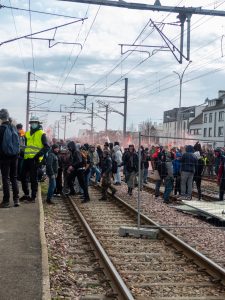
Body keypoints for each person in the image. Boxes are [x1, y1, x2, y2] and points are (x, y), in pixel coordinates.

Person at [20, 116, 50, 202]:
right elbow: (26, 146)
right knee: (22, 176)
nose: (33, 124)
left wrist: (37, 156)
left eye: (35, 122)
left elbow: (47, 147)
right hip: (26, 158)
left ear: (38, 123)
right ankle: (26, 194)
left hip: (35, 160)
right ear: (30, 124)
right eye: (32, 122)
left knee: (33, 178)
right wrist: (22, 152)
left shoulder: (42, 133)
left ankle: (33, 197)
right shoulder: (27, 133)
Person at [0, 109, 20, 208]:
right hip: (15, 157)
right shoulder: (14, 128)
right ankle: (16, 200)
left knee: (6, 178)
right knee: (14, 178)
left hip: (4, 158)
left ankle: (6, 201)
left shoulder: (1, 129)